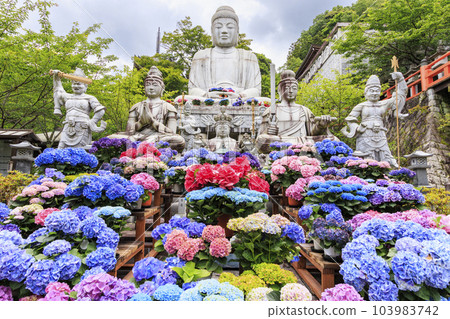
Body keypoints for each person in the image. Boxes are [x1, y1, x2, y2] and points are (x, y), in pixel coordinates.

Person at [184, 6, 262, 102]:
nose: (224, 31)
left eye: (230, 27)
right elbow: (192, 90)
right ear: (212, 31)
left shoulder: (249, 57)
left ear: (237, 31)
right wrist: (207, 94)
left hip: (239, 100)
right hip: (208, 99)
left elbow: (256, 90)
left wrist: (240, 95)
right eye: (218, 27)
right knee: (180, 99)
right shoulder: (201, 56)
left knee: (266, 101)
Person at [256, 70, 335, 152]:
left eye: (294, 88)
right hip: (282, 141)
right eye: (287, 88)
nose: (290, 91)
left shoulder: (304, 110)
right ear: (280, 91)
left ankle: (295, 146)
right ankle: (297, 146)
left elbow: (312, 133)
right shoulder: (271, 110)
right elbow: (260, 136)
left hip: (302, 141)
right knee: (262, 139)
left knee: (333, 139)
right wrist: (268, 131)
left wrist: (320, 126)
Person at [341, 72, 407, 167]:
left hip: (380, 134)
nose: (375, 93)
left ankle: (387, 177)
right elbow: (350, 119)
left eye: (377, 91)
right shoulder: (361, 106)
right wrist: (357, 128)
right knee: (365, 160)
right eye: (372, 91)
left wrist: (400, 79)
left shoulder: (384, 104)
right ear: (366, 92)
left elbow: (401, 94)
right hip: (365, 135)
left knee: (386, 158)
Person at [126, 66, 185, 151]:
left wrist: (153, 122)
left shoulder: (169, 107)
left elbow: (172, 132)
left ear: (162, 88)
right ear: (144, 88)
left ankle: (143, 147)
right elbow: (128, 131)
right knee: (115, 139)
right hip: (138, 136)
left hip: (159, 137)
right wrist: (141, 123)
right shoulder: (136, 107)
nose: (151, 88)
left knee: (179, 140)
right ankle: (147, 147)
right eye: (148, 85)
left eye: (155, 85)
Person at [52, 68, 107, 149]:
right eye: (74, 84)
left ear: (85, 86)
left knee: (81, 150)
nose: (76, 86)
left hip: (82, 127)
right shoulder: (67, 97)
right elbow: (58, 91)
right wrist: (56, 77)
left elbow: (100, 111)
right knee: (61, 149)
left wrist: (92, 122)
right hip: (67, 126)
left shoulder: (89, 98)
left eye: (79, 84)